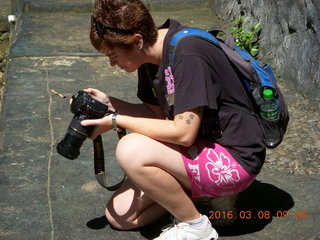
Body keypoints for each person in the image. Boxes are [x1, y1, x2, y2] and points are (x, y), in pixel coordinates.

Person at [81, 0, 266, 239]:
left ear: (137, 40)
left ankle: (196, 226)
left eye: (114, 55)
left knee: (130, 149)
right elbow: (156, 117)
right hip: (198, 148)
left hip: (234, 158)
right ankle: (208, 197)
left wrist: (117, 120)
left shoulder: (188, 52)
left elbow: (182, 133)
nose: (112, 63)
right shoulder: (149, 60)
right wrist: (108, 105)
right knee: (120, 217)